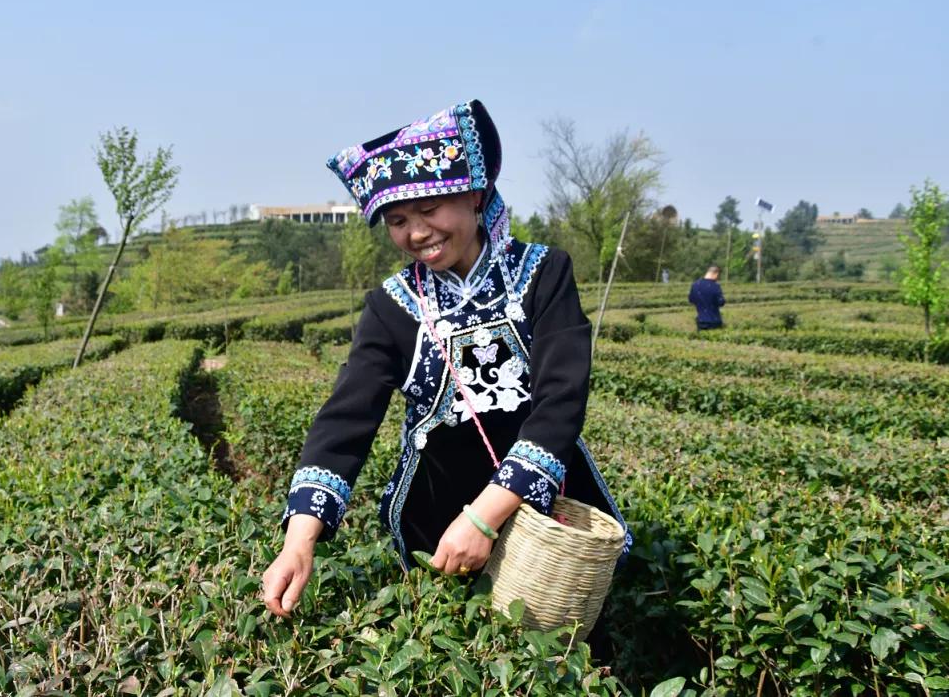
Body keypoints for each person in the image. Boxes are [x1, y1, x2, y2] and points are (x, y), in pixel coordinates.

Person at [262, 100, 629, 618]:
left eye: (430, 210)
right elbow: (346, 420)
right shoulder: (391, 306)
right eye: (397, 220)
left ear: (475, 196)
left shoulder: (544, 274)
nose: (416, 234)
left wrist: (485, 518)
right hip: (436, 527)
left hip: (548, 516)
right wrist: (299, 541)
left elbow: (561, 402)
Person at [688, 265, 726, 330]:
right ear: (715, 274)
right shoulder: (715, 286)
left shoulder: (695, 285)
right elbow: (721, 302)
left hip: (701, 320)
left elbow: (691, 300)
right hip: (714, 320)